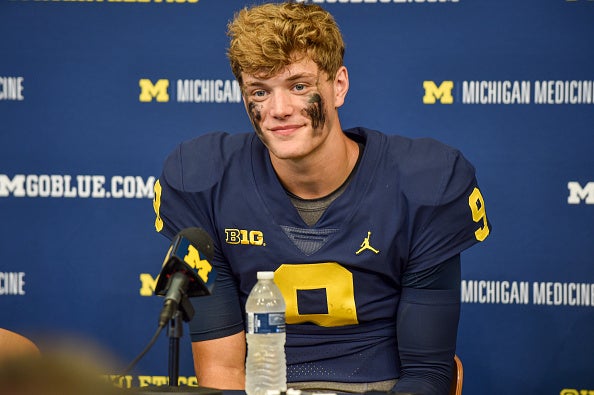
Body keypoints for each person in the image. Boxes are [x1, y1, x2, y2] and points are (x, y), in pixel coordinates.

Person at [152, 2, 491, 394]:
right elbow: (223, 373)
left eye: (299, 86)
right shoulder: (202, 180)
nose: (279, 110)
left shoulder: (424, 182)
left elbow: (427, 374)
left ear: (338, 85)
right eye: (260, 91)